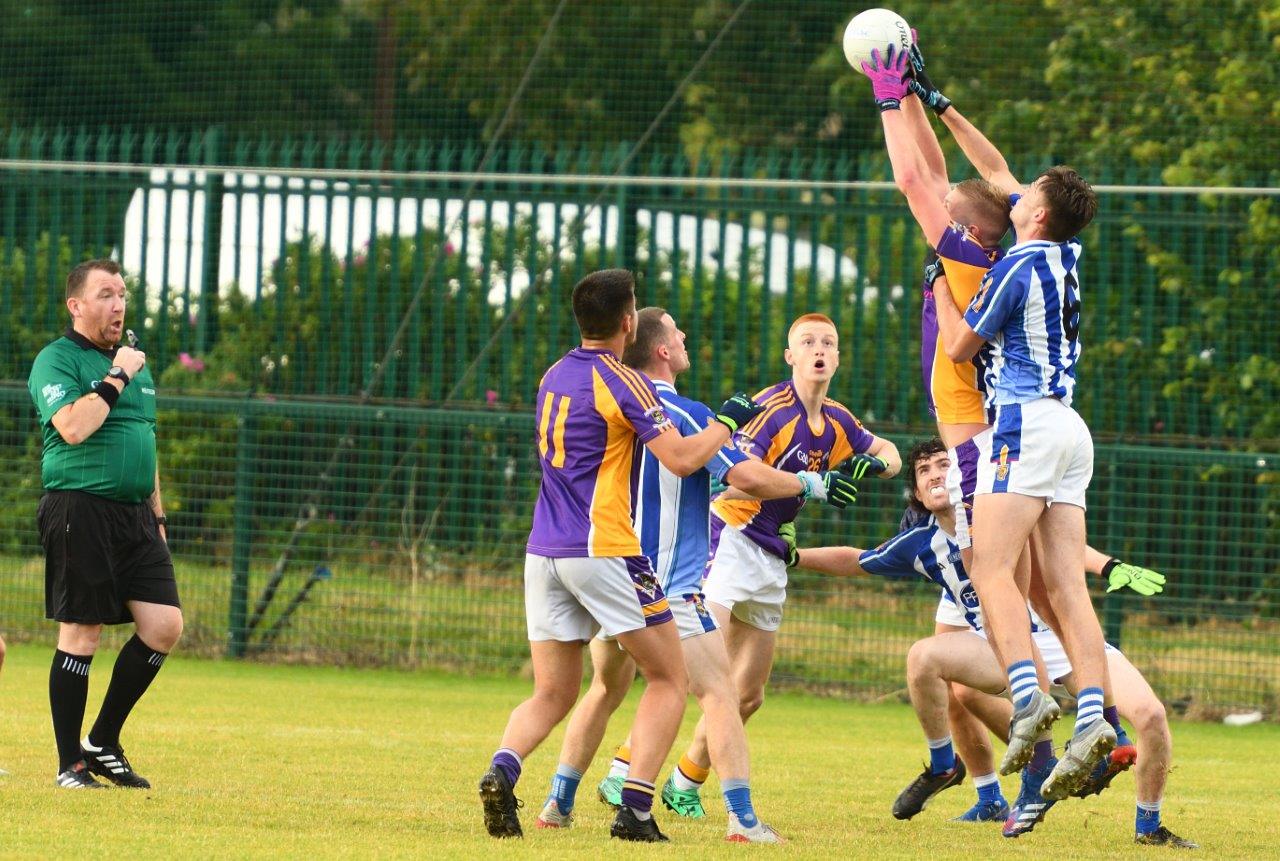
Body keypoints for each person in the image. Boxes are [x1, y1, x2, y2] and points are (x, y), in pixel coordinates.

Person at [863, 43, 1113, 798]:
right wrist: (928, 98)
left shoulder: (977, 256)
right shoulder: (1049, 247)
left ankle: (1031, 699)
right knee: (1052, 586)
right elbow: (983, 170)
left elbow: (917, 176)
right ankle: (1095, 718)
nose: (941, 199)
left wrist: (886, 95)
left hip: (999, 427)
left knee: (991, 571)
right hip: (1064, 427)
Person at [534, 308, 859, 843]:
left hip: (611, 569)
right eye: (678, 334)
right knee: (720, 694)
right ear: (661, 350)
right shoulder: (684, 412)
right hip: (667, 585)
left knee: (603, 690)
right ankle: (741, 820)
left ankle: (557, 802)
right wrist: (811, 484)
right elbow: (746, 475)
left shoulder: (614, 402)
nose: (685, 338)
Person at [785, 439, 1196, 848]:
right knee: (925, 658)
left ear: (965, 472)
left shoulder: (1001, 508)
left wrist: (1109, 565)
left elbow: (1064, 546)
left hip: (1064, 638)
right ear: (917, 494)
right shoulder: (921, 545)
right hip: (1009, 651)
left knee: (1152, 716)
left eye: (943, 464)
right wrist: (793, 556)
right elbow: (854, 560)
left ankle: (1149, 828)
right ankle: (973, 768)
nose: (935, 475)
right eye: (924, 470)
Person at [477, 270, 766, 843]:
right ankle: (634, 810)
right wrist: (728, 420)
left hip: (543, 550)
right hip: (602, 546)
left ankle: (503, 770)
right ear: (628, 322)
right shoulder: (623, 380)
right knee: (669, 677)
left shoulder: (553, 373)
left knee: (553, 692)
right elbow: (683, 459)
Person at [658, 313, 901, 815]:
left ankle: (684, 781)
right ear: (790, 356)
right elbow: (744, 479)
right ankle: (625, 771)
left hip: (771, 552)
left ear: (836, 358)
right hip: (729, 535)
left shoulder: (837, 418)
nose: (819, 349)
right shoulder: (771, 411)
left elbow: (892, 453)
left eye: (828, 343)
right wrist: (816, 486)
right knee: (697, 672)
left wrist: (872, 463)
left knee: (748, 695)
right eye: (807, 342)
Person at [27, 258, 182, 789]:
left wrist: (158, 515)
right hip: (80, 507)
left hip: (136, 515)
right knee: (82, 631)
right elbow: (73, 427)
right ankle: (69, 761)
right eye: (105, 294)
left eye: (122, 294)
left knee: (164, 625)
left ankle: (102, 741)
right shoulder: (57, 359)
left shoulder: (135, 362)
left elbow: (145, 439)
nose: (118, 304)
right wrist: (119, 374)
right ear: (76, 305)